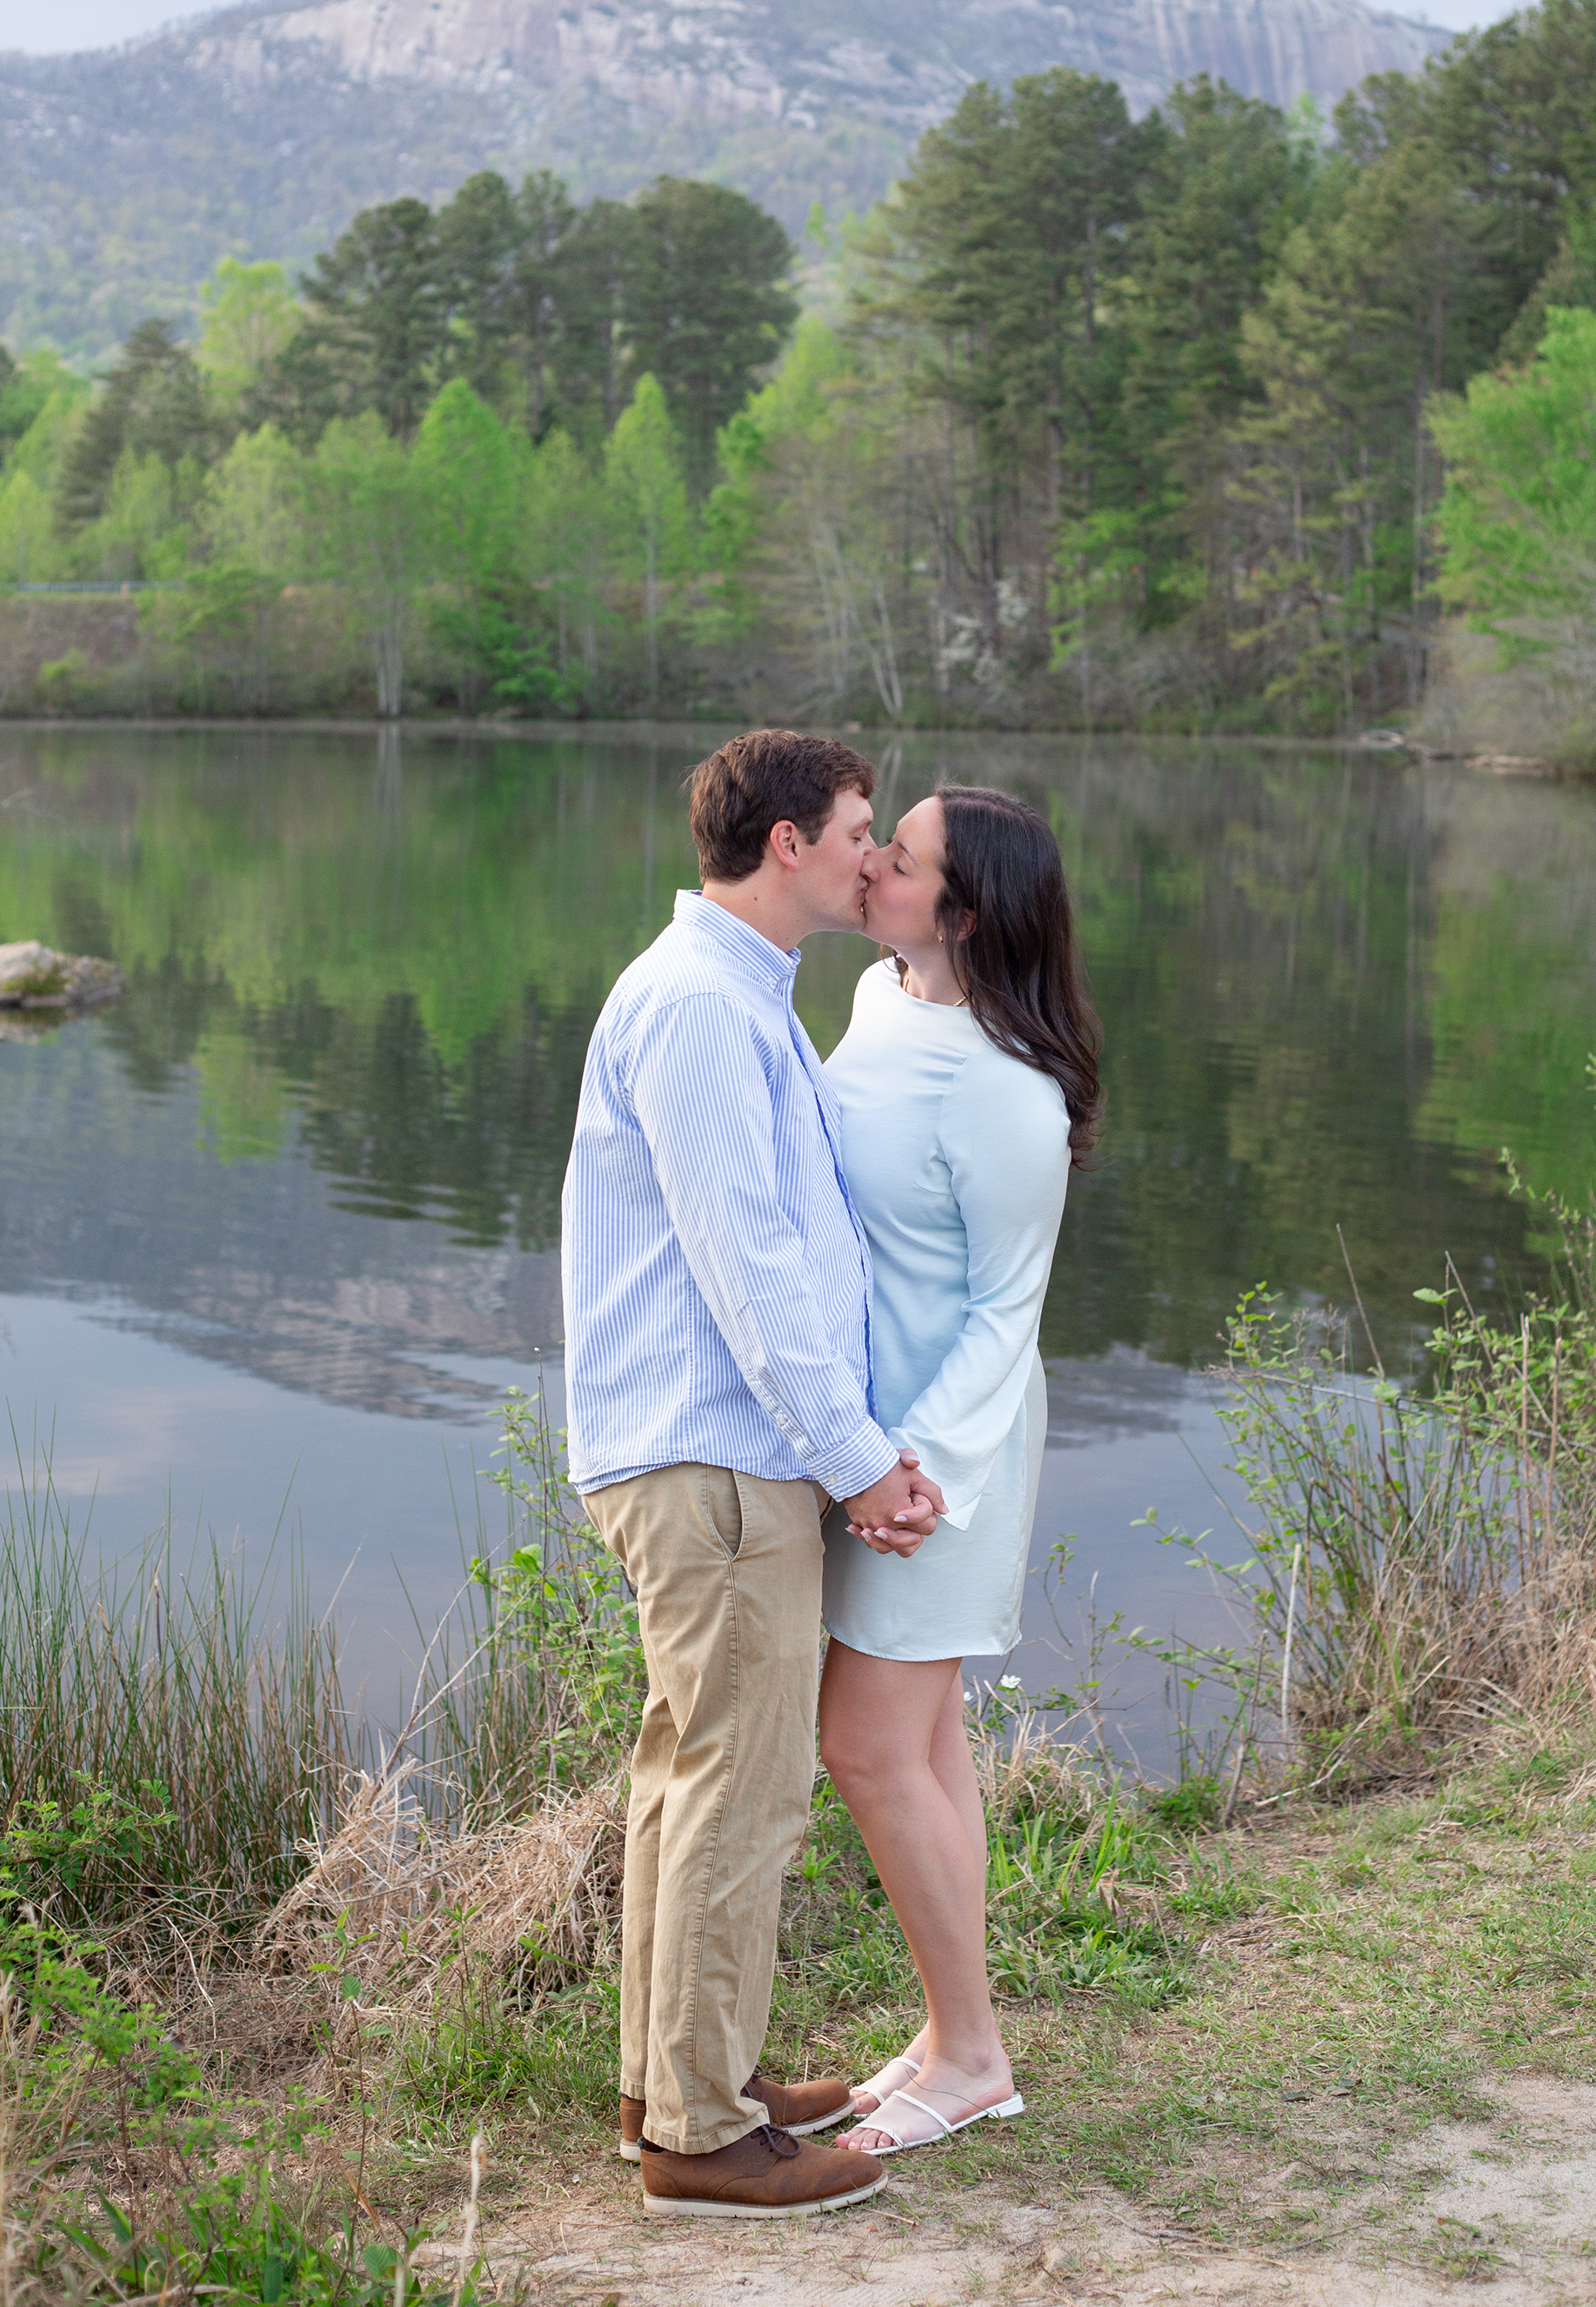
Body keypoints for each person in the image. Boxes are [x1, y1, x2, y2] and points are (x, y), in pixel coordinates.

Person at [559, 728, 945, 2220]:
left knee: (687, 1777)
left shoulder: (739, 998)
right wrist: (858, 1463)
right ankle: (703, 2138)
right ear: (786, 841)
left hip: (714, 1454)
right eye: (858, 827)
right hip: (718, 1461)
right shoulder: (703, 1012)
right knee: (741, 1790)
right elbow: (749, 1270)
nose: (874, 855)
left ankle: (676, 2084)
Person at [818, 785, 1103, 2157]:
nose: (871, 863)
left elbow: (1008, 1309)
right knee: (926, 1748)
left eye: (903, 857)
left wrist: (914, 1472)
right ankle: (949, 2033)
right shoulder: (883, 997)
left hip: (940, 1466)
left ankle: (975, 2054)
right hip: (869, 1455)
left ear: (965, 912)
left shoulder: (1007, 1092)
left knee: (864, 1745)